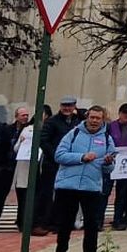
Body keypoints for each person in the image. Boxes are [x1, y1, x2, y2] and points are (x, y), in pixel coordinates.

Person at [51, 104, 116, 252]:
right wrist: (81, 157)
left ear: (103, 119)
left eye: (98, 118)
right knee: (65, 224)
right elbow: (59, 155)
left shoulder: (108, 138)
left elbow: (109, 169)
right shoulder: (74, 134)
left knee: (92, 226)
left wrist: (109, 162)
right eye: (92, 117)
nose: (94, 121)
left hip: (91, 187)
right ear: (87, 117)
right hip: (68, 186)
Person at [34, 95, 80, 233]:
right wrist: (56, 156)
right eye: (64, 105)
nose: (67, 108)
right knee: (46, 194)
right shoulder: (52, 121)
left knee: (64, 195)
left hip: (70, 164)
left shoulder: (77, 122)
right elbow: (44, 141)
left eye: (70, 106)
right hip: (53, 163)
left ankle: (58, 223)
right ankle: (41, 223)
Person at [12, 111, 36, 232]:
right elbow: (15, 148)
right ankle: (22, 221)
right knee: (23, 197)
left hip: (37, 167)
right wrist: (21, 141)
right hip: (23, 166)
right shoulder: (27, 130)